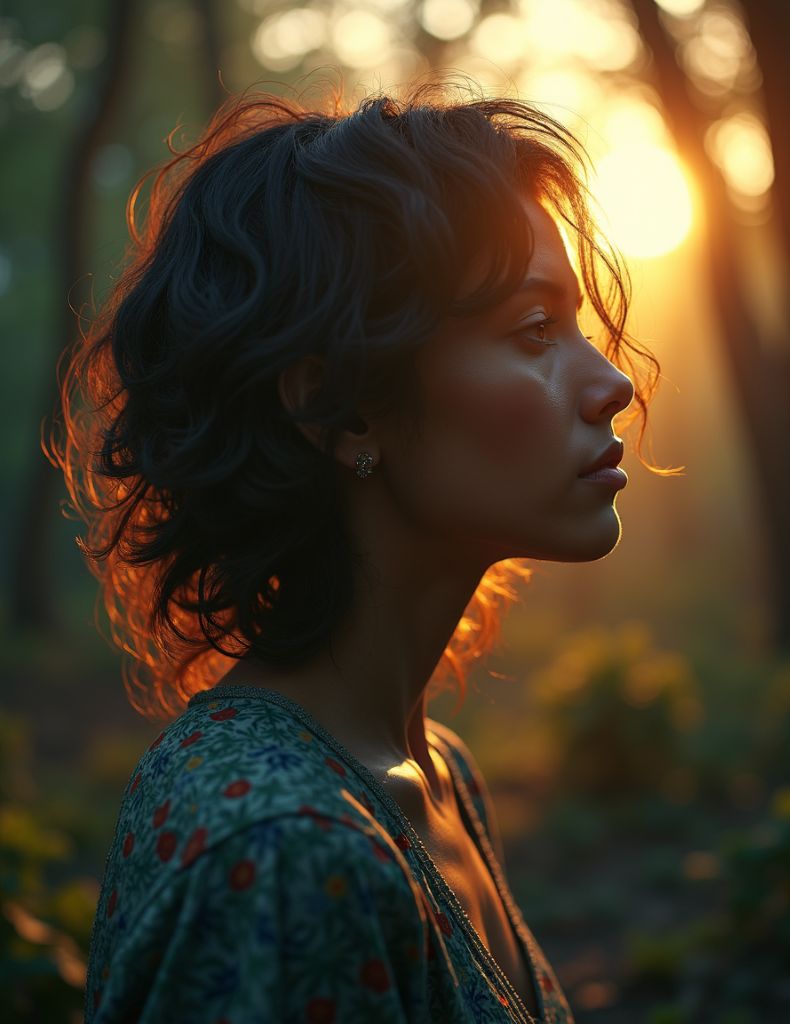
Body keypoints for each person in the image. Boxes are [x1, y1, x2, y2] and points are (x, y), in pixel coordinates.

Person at [48, 72, 659, 1023]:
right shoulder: (284, 858)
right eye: (534, 328)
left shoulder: (436, 770)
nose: (612, 383)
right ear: (337, 407)